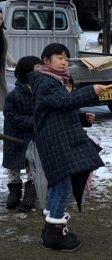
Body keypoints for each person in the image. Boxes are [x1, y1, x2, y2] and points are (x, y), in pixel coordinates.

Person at [27, 43, 107, 251]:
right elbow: (64, 101)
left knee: (57, 186)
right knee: (62, 188)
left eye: (66, 59)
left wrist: (82, 118)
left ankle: (52, 227)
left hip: (56, 141)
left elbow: (58, 111)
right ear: (46, 61)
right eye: (59, 58)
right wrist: (91, 91)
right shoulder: (46, 83)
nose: (64, 62)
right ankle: (55, 234)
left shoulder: (52, 81)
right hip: (55, 143)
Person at [2, 56, 42, 211]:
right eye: (37, 69)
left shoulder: (40, 91)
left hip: (33, 138)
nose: (41, 72)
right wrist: (31, 122)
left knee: (32, 167)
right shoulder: (14, 95)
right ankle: (14, 193)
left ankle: (30, 195)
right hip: (15, 137)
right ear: (27, 72)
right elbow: (10, 115)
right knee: (14, 169)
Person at [0, 9, 17, 110]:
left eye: (1, 19)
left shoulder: (4, 33)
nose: (0, 21)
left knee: (2, 89)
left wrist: (12, 62)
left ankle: (4, 110)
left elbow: (4, 52)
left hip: (0, 65)